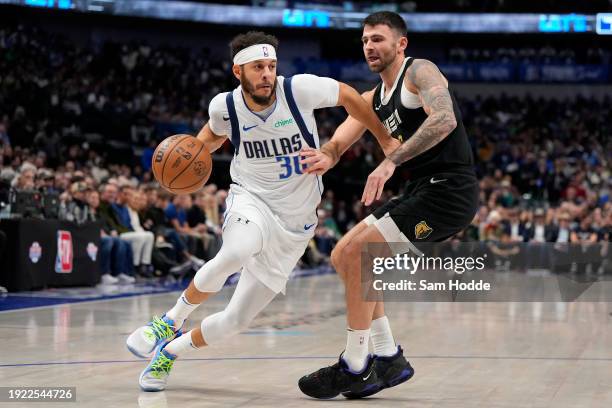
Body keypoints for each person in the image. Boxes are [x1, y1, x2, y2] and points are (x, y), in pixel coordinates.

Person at [126, 30, 396, 392]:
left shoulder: (299, 90)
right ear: (238, 71)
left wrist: (383, 140)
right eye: (258, 67)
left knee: (235, 320)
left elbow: (350, 96)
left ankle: (169, 351)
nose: (267, 73)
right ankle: (170, 319)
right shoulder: (225, 107)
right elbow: (207, 140)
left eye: (271, 65)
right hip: (251, 199)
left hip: (295, 225)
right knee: (235, 251)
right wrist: (180, 168)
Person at [298, 11, 479, 399]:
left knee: (360, 256)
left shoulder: (420, 71)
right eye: (365, 40)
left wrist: (390, 160)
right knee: (343, 256)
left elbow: (444, 119)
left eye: (378, 39)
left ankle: (355, 365)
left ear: (401, 44)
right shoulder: (371, 98)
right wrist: (325, 156)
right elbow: (339, 141)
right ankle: (388, 355)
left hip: (450, 190)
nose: (369, 47)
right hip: (421, 190)